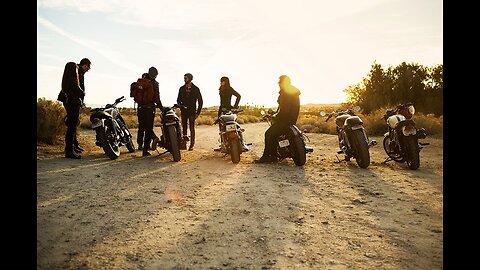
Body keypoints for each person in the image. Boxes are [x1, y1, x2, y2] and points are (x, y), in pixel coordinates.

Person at [255, 75, 301, 163]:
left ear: (283, 83)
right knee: (275, 133)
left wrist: (276, 116)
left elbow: (285, 110)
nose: (278, 84)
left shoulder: (286, 93)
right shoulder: (293, 92)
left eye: (279, 82)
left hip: (285, 120)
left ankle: (268, 156)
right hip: (292, 119)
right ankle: (275, 154)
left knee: (269, 134)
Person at [61, 62, 85, 159]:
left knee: (71, 127)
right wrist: (82, 93)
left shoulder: (66, 79)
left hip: (70, 103)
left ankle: (70, 149)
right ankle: (69, 151)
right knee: (71, 128)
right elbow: (78, 91)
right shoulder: (72, 79)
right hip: (73, 104)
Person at [216, 76, 248, 151]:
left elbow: (238, 96)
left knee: (234, 126)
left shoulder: (229, 89)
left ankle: (241, 143)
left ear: (226, 81)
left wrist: (235, 106)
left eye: (223, 81)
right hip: (221, 109)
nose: (221, 82)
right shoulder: (221, 89)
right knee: (222, 127)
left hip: (229, 109)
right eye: (221, 81)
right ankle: (223, 144)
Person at [138, 67, 164, 156]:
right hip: (149, 108)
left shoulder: (142, 81)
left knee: (142, 127)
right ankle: (145, 150)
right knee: (149, 129)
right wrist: (162, 109)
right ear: (155, 74)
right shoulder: (154, 83)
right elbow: (157, 98)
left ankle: (140, 145)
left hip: (140, 107)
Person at [177, 73, 203, 151]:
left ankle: (191, 145)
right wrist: (180, 105)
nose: (184, 79)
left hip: (192, 112)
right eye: (184, 78)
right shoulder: (181, 88)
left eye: (186, 78)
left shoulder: (196, 89)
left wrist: (198, 113)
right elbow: (178, 99)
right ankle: (184, 144)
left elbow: (200, 101)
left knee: (192, 128)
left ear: (190, 79)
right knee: (184, 128)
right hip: (184, 111)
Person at [73, 58, 91, 153]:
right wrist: (81, 94)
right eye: (88, 67)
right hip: (73, 100)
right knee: (73, 124)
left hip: (76, 101)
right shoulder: (77, 72)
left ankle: (75, 145)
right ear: (85, 65)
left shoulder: (79, 72)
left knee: (74, 123)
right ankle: (72, 147)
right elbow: (76, 87)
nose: (88, 70)